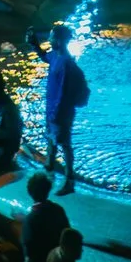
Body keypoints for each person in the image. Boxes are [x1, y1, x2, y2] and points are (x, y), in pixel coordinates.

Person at [42, 21, 87, 193]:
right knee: (51, 141)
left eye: (52, 37)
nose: (49, 39)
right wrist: (33, 44)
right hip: (52, 110)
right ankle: (49, 169)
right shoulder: (55, 55)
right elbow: (44, 57)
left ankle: (69, 181)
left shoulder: (67, 64)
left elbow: (62, 94)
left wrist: (55, 115)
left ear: (59, 40)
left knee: (64, 144)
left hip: (60, 113)